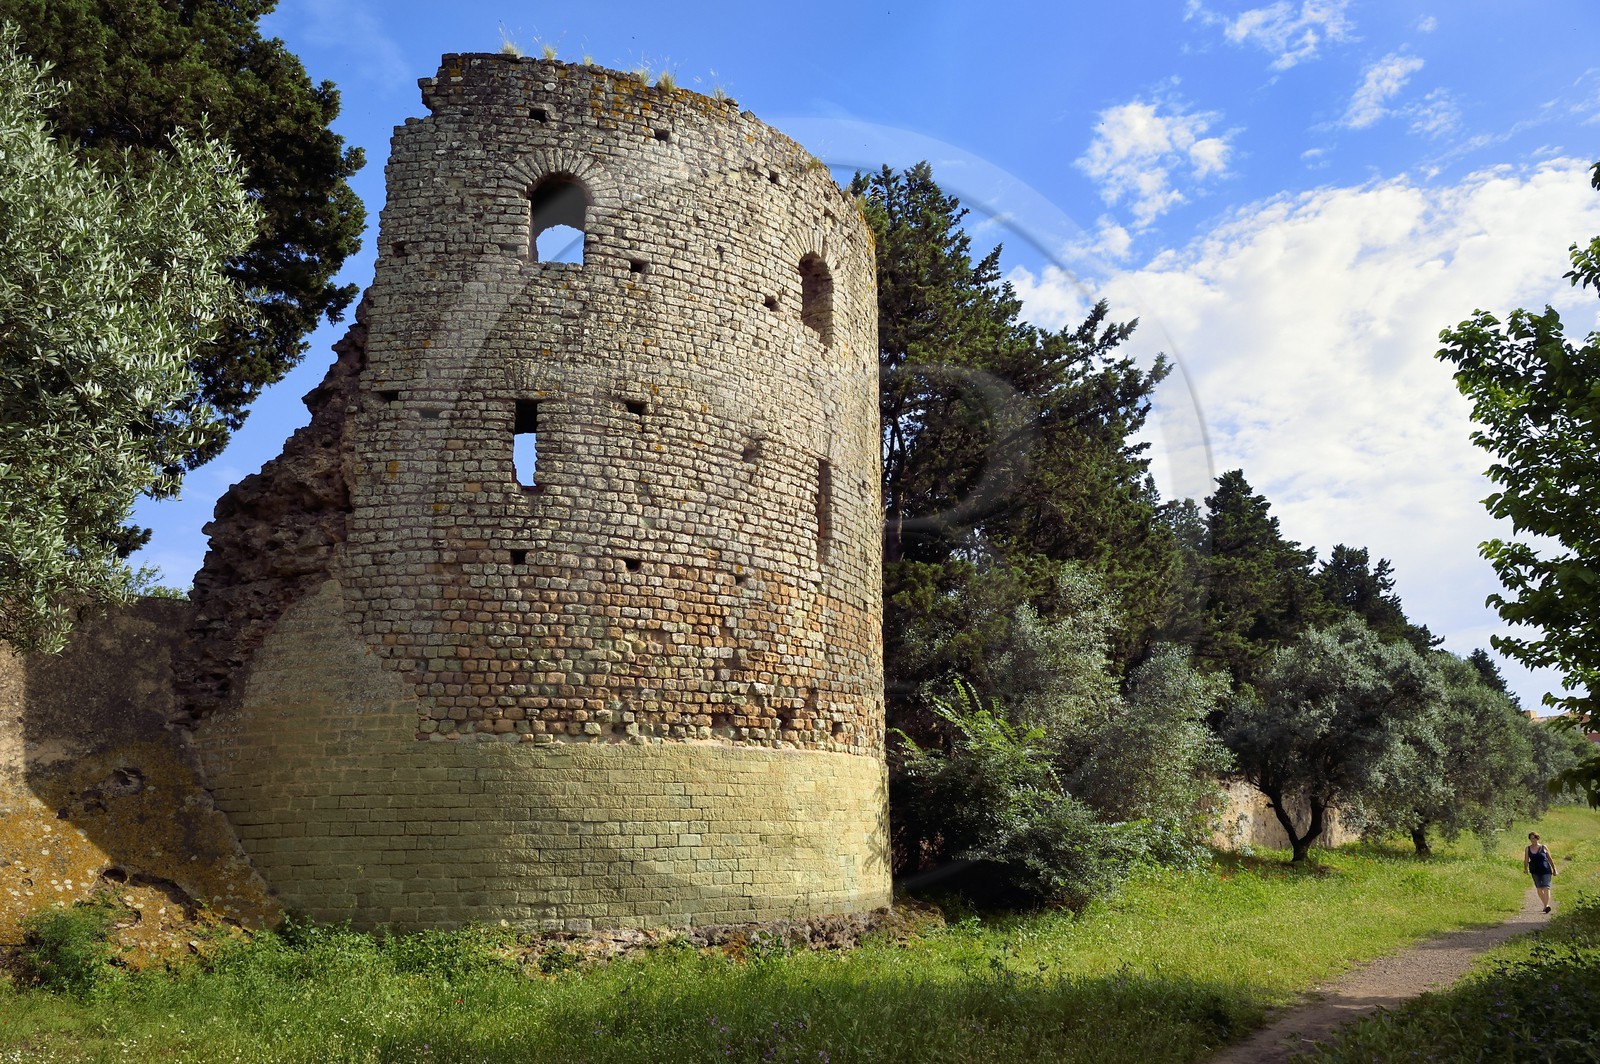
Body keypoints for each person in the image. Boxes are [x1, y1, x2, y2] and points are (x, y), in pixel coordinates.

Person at [1524, 831, 1559, 913]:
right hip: (1535, 870)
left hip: (1545, 869)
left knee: (1546, 887)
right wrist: (1525, 868)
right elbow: (1526, 860)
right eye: (1531, 838)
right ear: (1530, 839)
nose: (1533, 840)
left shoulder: (1544, 847)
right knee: (1539, 888)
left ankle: (1546, 906)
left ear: (1537, 838)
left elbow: (1550, 859)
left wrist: (1554, 869)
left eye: (1535, 838)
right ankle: (1545, 905)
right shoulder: (1528, 849)